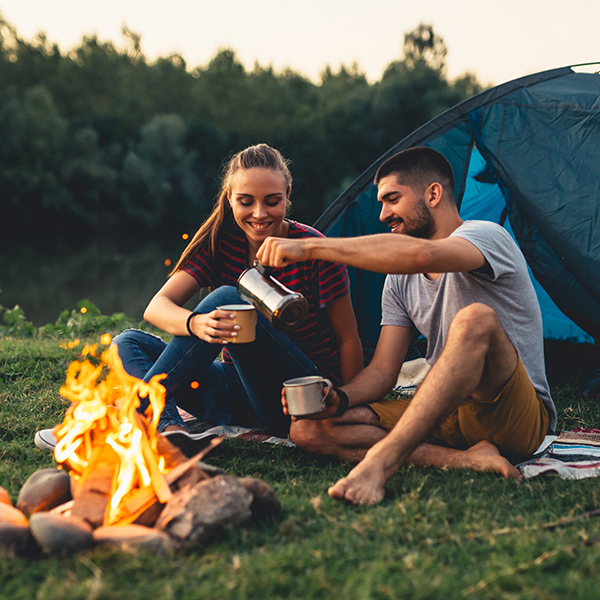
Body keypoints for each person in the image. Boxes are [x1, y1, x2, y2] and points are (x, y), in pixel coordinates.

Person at [256, 146, 556, 505]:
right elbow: (384, 370)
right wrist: (340, 398)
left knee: (476, 319)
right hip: (449, 413)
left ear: (433, 194)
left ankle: (382, 463)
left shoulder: (487, 236)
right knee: (308, 430)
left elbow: (423, 256)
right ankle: (466, 460)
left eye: (392, 199)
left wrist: (309, 248)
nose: (383, 214)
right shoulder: (399, 282)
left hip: (512, 414)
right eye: (381, 203)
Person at [34, 144, 363, 455]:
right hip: (236, 390)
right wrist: (196, 323)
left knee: (226, 296)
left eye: (272, 201)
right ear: (230, 198)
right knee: (128, 342)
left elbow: (348, 340)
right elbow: (156, 307)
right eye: (246, 201)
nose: (259, 213)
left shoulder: (314, 249)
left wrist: (346, 404)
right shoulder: (224, 243)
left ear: (288, 196)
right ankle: (171, 430)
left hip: (294, 398)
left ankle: (126, 417)